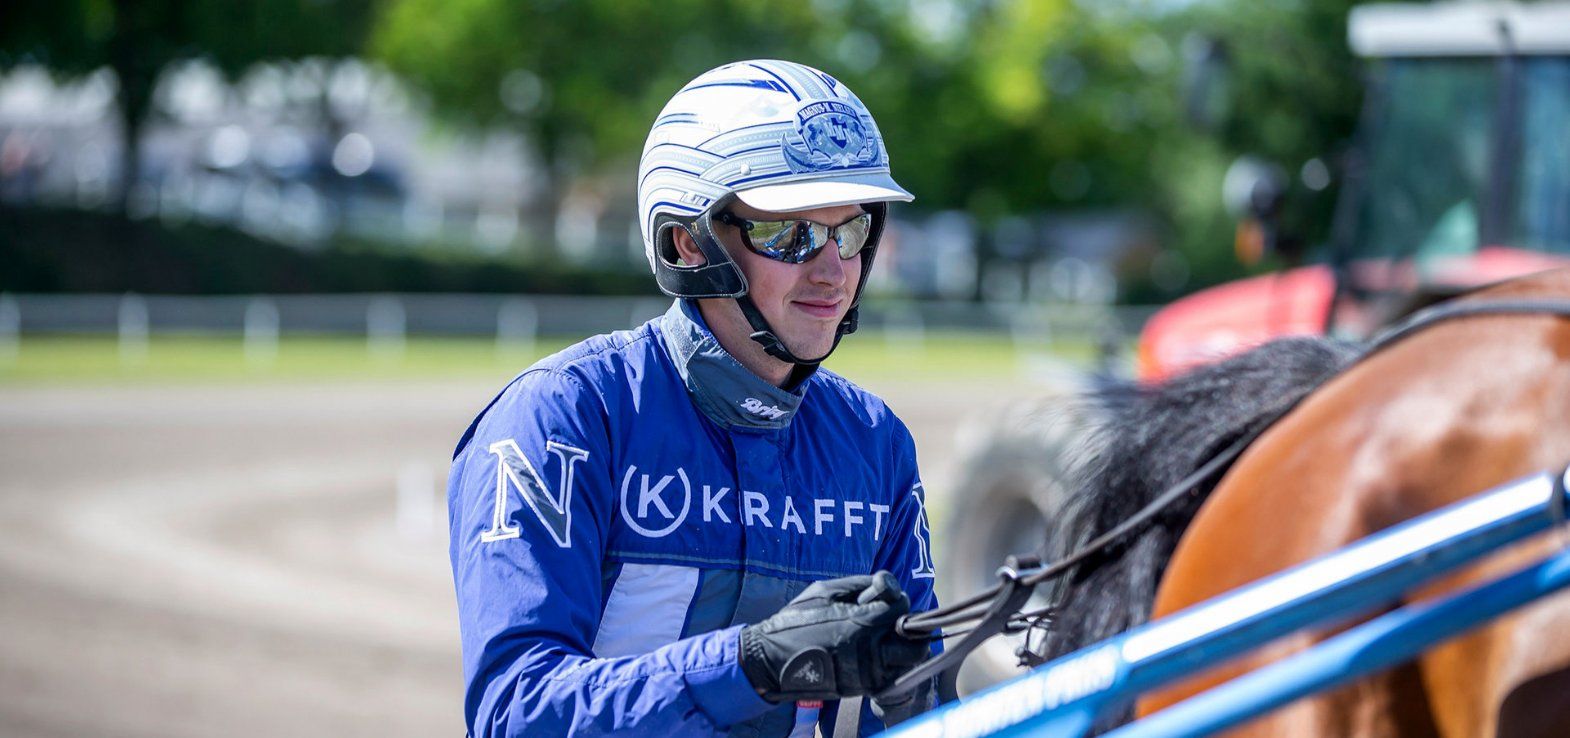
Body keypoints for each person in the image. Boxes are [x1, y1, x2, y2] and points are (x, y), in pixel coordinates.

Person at [447, 59, 940, 738]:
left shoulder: (875, 441)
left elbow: (927, 706)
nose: (833, 271)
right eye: (789, 234)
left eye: (849, 231)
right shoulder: (564, 417)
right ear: (688, 242)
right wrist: (753, 665)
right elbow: (515, 708)